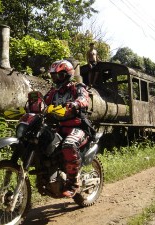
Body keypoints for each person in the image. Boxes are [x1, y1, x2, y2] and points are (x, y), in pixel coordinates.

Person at [44, 59, 90, 198]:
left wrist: (76, 104)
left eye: (59, 75)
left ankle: (73, 183)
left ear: (68, 74)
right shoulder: (53, 92)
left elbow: (84, 98)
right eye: (53, 76)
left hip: (78, 127)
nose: (56, 79)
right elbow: (44, 102)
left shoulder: (77, 87)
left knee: (69, 145)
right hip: (60, 127)